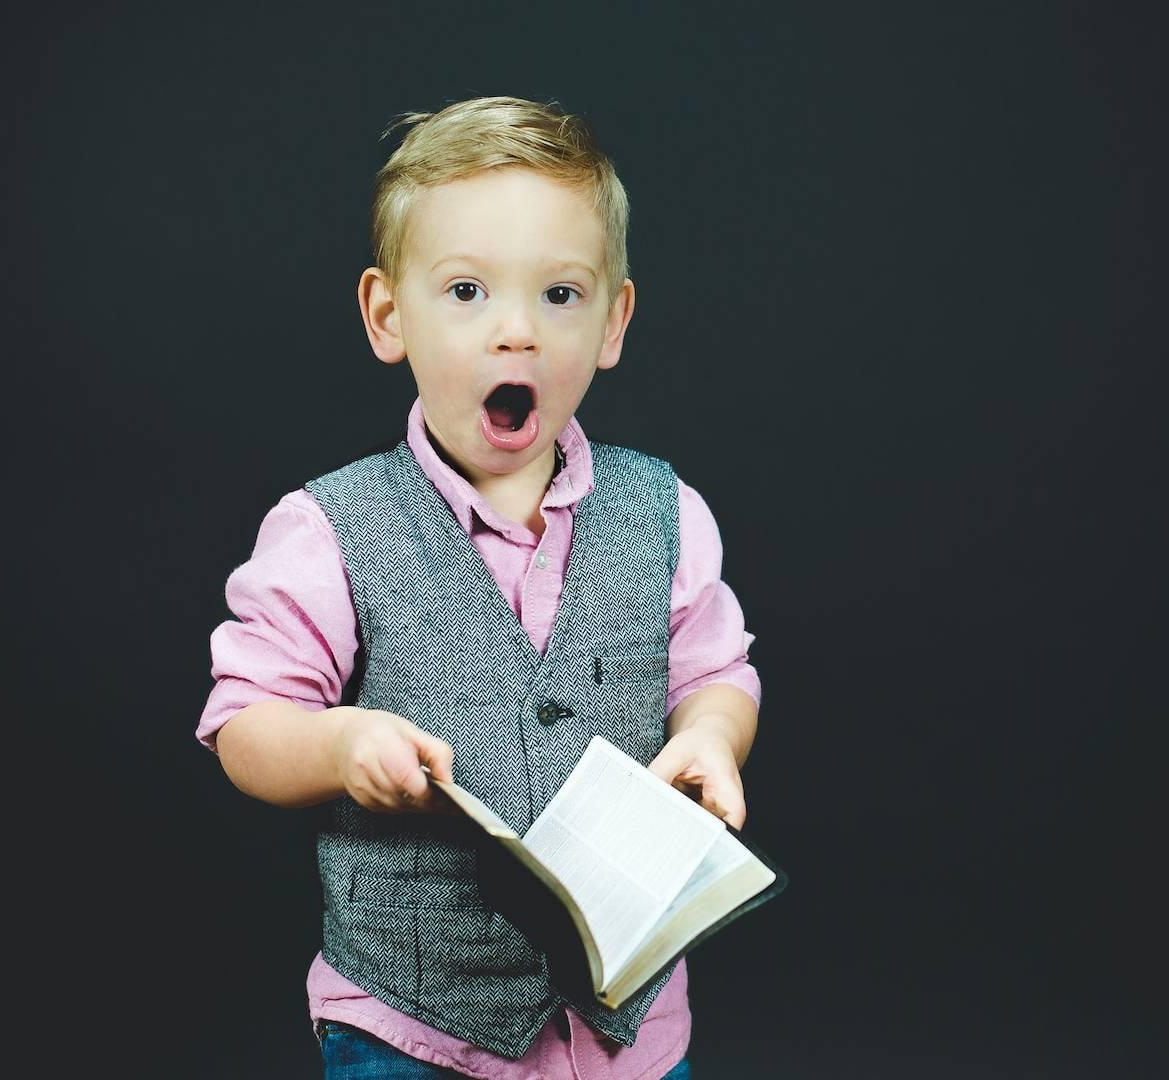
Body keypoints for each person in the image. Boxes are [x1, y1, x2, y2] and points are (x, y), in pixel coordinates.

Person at [197, 96, 760, 1080]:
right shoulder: (329, 531)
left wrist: (711, 734)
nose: (516, 333)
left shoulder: (667, 513)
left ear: (614, 320)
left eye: (560, 295)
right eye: (466, 292)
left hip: (625, 1029)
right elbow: (244, 724)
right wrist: (339, 742)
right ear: (388, 315)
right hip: (414, 1030)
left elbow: (717, 670)